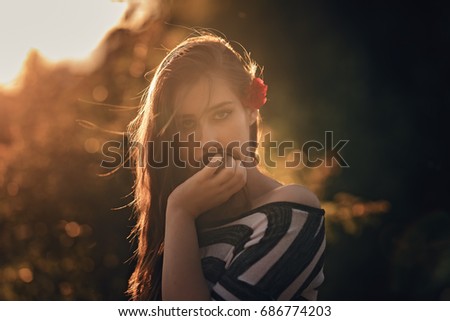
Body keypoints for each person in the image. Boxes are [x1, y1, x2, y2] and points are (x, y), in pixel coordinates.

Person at [126, 32, 326, 301]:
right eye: (187, 125)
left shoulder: (289, 213)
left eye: (221, 114)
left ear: (251, 111)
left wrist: (180, 210)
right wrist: (179, 214)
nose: (208, 141)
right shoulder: (181, 223)